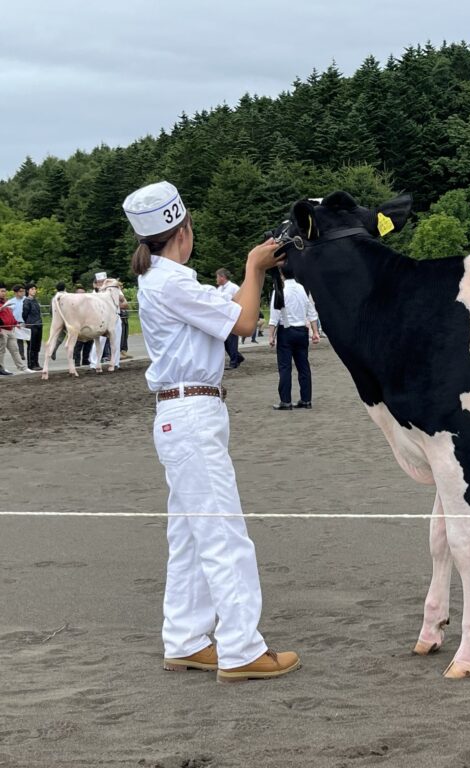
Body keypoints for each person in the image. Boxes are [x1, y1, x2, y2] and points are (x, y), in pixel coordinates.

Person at [124, 180, 299, 683]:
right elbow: (245, 323)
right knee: (224, 533)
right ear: (184, 230)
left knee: (189, 534)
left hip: (178, 414)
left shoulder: (158, 279)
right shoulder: (173, 282)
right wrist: (254, 266)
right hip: (193, 413)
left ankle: (185, 638)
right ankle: (242, 647)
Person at [268, 262, 320, 410]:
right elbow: (311, 312)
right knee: (304, 366)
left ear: (282, 274)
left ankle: (286, 401)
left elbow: (274, 315)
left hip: (286, 330)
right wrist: (315, 332)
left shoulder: (280, 290)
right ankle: (306, 399)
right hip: (302, 331)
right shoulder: (303, 289)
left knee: (285, 367)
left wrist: (271, 336)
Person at [215, 268, 244, 368]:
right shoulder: (219, 289)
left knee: (232, 340)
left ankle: (234, 361)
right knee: (225, 340)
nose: (216, 279)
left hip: (231, 316)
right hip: (222, 318)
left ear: (222, 277)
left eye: (217, 277)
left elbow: (241, 300)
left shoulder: (233, 288)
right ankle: (237, 357)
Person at [0, 285, 27, 374]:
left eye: (5, 291)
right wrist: (1, 308)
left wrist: (16, 323)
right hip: (2, 329)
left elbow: (10, 315)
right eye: (2, 291)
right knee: (1, 351)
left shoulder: (6, 302)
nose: (4, 293)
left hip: (10, 329)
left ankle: (22, 368)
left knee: (15, 349)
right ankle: (1, 369)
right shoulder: (4, 304)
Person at [22, 284, 43, 371]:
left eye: (35, 289)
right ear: (28, 291)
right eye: (32, 289)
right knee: (31, 345)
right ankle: (31, 364)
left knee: (37, 345)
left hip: (38, 324)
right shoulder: (26, 301)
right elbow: (24, 314)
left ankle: (36, 362)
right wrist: (28, 322)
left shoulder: (35, 301)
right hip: (31, 325)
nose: (34, 290)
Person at [50, 282, 67, 360]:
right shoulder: (68, 296)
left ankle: (54, 348)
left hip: (57, 318)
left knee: (58, 336)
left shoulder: (54, 298)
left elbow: (51, 310)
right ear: (65, 288)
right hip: (68, 319)